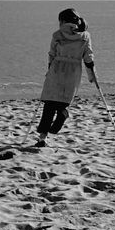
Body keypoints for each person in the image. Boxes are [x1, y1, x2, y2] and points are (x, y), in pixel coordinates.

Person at [35, 9, 96, 147]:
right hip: (73, 72)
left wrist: (49, 69)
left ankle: (42, 138)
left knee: (49, 104)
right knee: (63, 100)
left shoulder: (57, 35)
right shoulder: (85, 36)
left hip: (56, 70)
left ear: (62, 21)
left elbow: (51, 54)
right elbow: (88, 58)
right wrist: (92, 76)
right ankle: (62, 114)